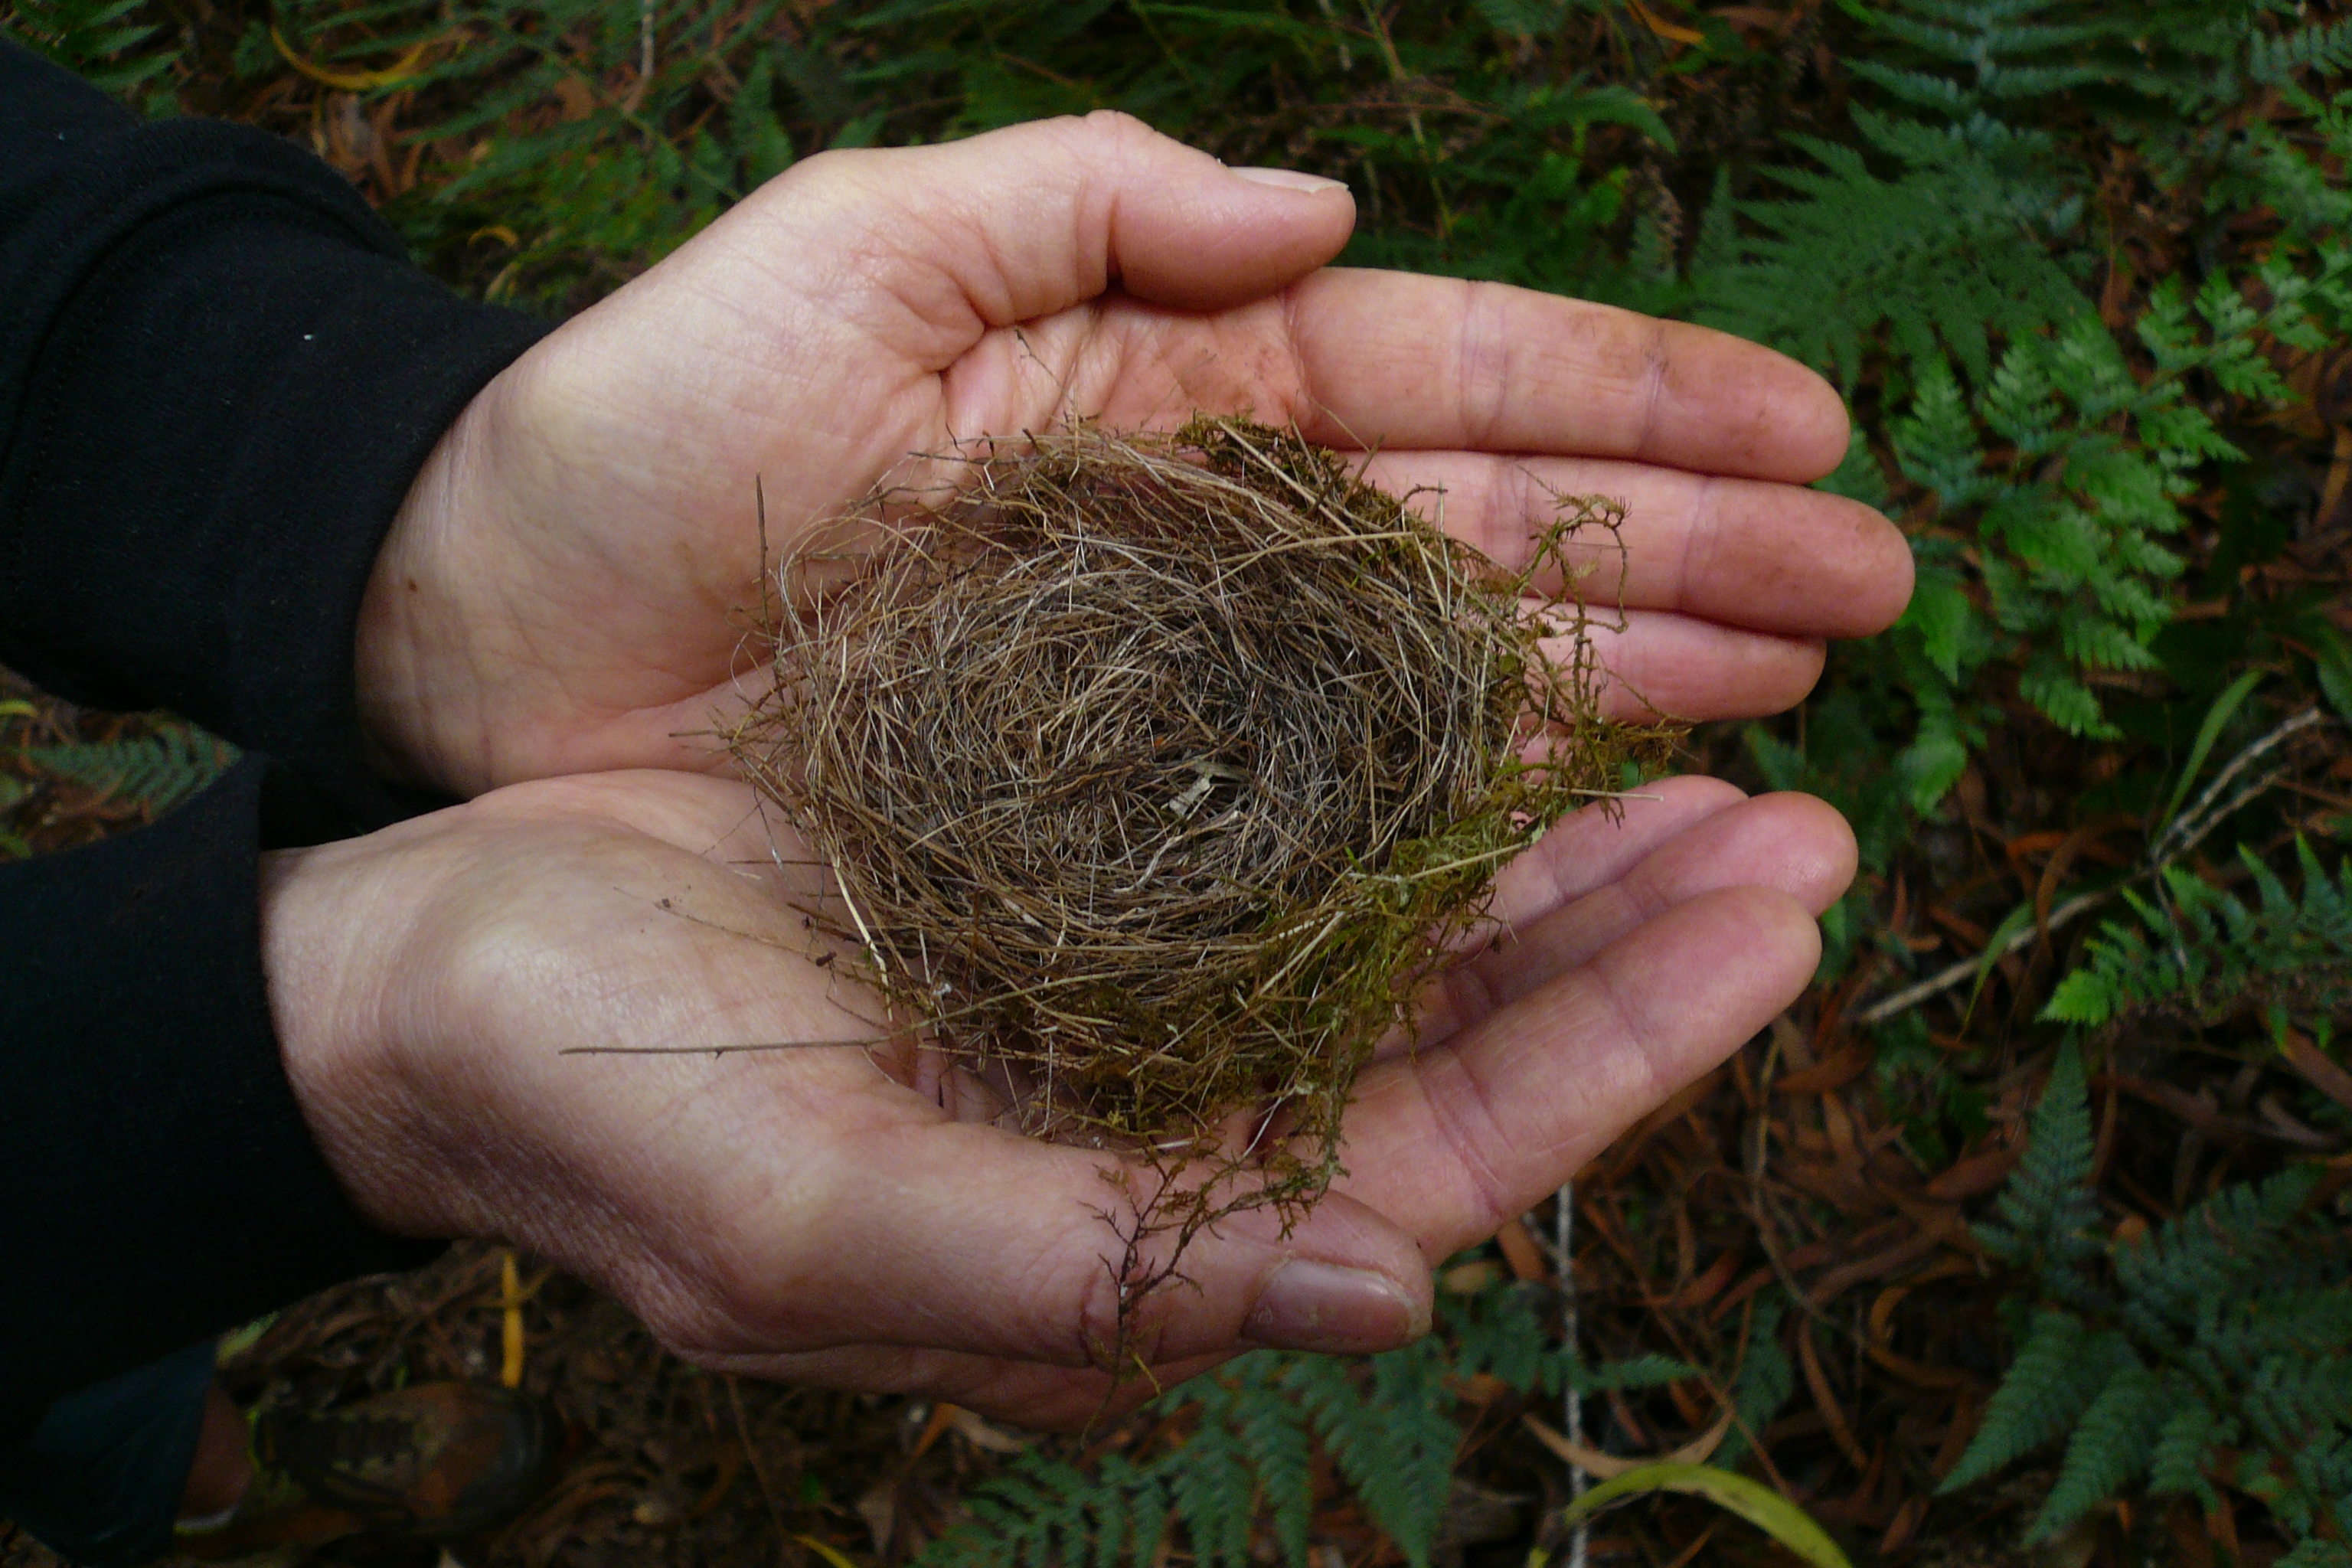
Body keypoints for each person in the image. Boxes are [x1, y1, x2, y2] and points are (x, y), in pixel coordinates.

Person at [0, 33, 1915, 1564]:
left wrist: (377, 479)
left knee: (83, 1395)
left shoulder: (1236, 726)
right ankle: (142, 1470)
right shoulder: (973, 731)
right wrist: (327, 1031)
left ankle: (152, 1456)